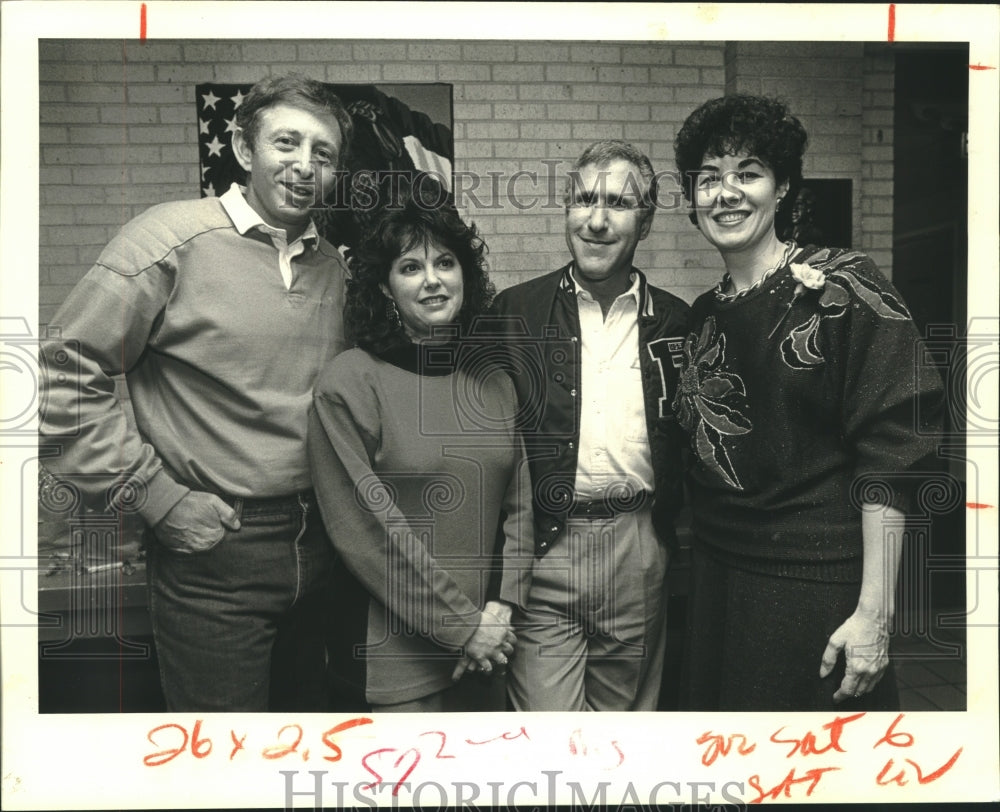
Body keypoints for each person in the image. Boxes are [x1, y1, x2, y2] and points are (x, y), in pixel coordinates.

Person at [38, 74, 354, 712]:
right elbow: (58, 376)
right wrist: (156, 497)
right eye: (286, 143)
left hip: (322, 545)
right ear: (243, 148)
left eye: (323, 154)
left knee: (306, 748)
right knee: (224, 762)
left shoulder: (334, 267)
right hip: (215, 549)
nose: (304, 165)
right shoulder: (167, 240)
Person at [672, 94, 944, 711]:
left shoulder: (846, 287)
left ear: (784, 186)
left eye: (748, 173)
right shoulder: (702, 317)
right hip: (719, 582)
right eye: (708, 179)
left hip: (815, 589)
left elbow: (895, 456)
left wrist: (875, 615)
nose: (726, 193)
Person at [308, 175, 529, 712]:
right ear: (384, 287)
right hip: (393, 661)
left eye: (445, 263)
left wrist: (502, 607)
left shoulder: (493, 380)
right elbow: (367, 531)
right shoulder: (349, 383)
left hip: (488, 650)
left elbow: (522, 505)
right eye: (411, 267)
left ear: (465, 274)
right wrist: (463, 627)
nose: (432, 281)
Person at [490, 140, 691, 712]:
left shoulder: (678, 322)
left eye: (618, 204)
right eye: (584, 199)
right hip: (546, 547)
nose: (597, 221)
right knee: (551, 741)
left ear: (645, 221)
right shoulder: (514, 314)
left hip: (639, 550)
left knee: (625, 733)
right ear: (567, 208)